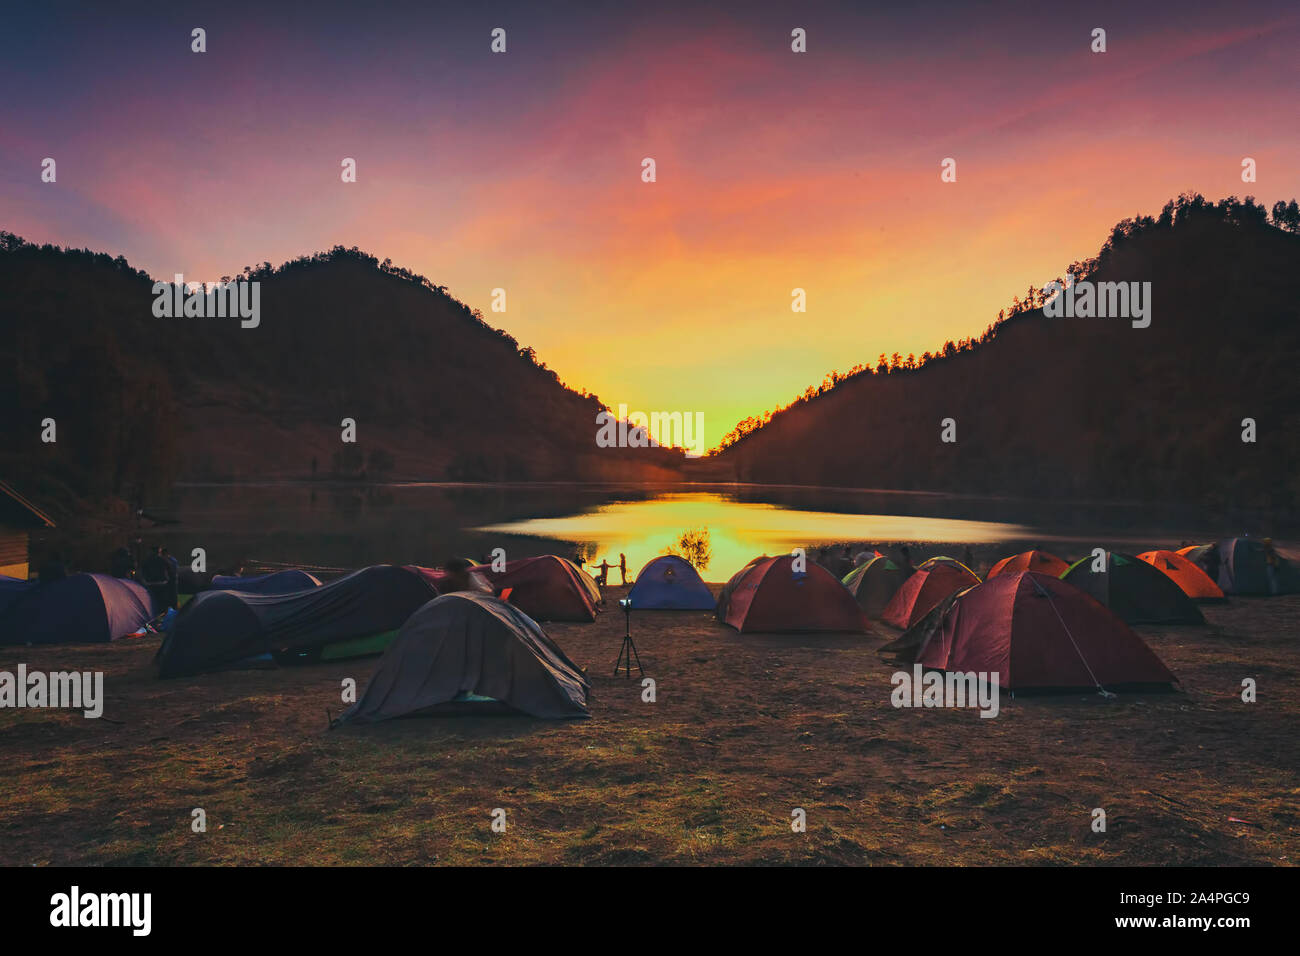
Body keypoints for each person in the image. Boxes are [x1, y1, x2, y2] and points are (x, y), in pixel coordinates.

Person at [139, 546, 176, 612]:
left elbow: (142, 571)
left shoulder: (146, 560)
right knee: (162, 602)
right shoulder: (163, 560)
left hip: (150, 584)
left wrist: (144, 581)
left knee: (152, 601)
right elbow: (171, 570)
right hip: (162, 584)